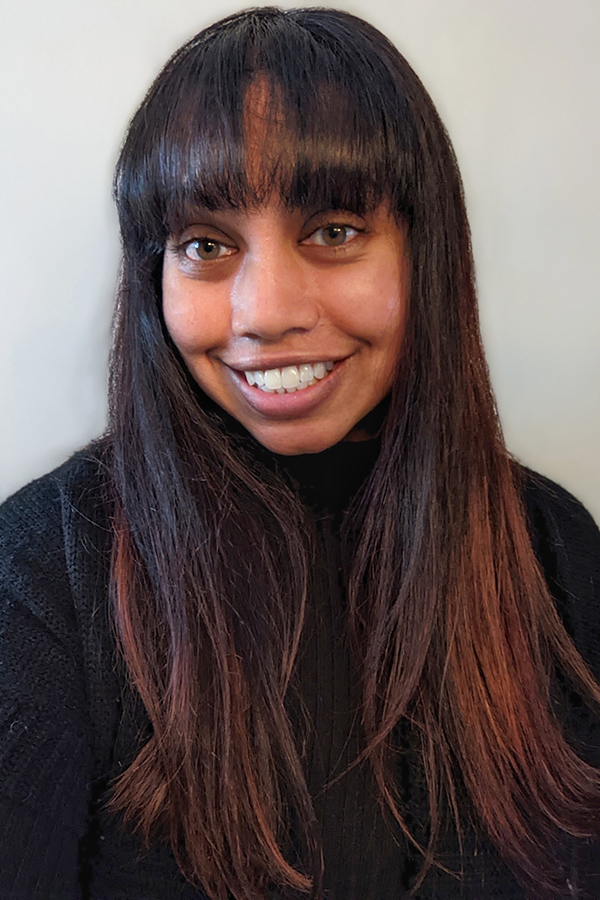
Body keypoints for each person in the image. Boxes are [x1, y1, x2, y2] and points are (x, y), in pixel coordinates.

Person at [1, 7, 599, 899]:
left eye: (333, 231)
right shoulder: (43, 574)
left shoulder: (554, 547)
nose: (265, 310)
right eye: (205, 245)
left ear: (425, 253)